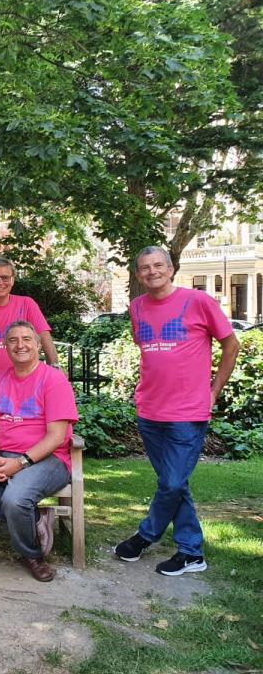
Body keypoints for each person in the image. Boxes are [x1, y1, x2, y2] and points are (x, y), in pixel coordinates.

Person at [114, 246, 239, 576]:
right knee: (175, 484)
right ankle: (191, 552)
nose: (152, 271)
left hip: (187, 412)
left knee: (171, 483)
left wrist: (214, 391)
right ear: (139, 275)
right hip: (149, 411)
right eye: (144, 268)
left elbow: (231, 345)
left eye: (158, 265)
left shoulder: (198, 301)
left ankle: (145, 536)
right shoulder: (137, 308)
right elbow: (150, 356)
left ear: (171, 269)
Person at [0, 321, 77, 582]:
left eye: (26, 339)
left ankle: (31, 554)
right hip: (4, 453)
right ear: (5, 346)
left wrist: (20, 463)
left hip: (48, 458)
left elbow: (57, 436)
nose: (20, 345)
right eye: (13, 340)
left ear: (37, 345)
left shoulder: (53, 380)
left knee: (15, 498)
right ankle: (33, 518)